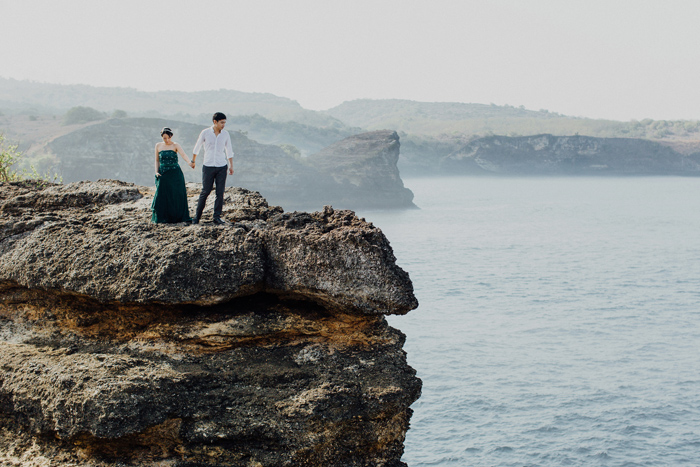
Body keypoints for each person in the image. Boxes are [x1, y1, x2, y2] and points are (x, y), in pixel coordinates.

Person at [191, 112, 234, 225]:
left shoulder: (225, 134)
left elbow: (229, 150)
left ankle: (217, 217)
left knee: (220, 192)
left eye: (224, 122)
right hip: (208, 166)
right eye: (222, 122)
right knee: (205, 191)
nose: (223, 125)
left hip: (221, 166)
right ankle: (197, 217)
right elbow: (197, 146)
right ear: (215, 122)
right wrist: (193, 160)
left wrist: (231, 166)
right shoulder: (205, 133)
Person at [151, 127, 195, 223]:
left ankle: (177, 217)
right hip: (163, 172)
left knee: (177, 194)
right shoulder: (158, 145)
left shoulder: (175, 145)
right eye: (164, 138)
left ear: (171, 136)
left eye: (168, 138)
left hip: (175, 173)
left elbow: (183, 155)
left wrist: (189, 163)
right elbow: (157, 160)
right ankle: (164, 217)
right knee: (162, 195)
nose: (166, 140)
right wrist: (156, 171)